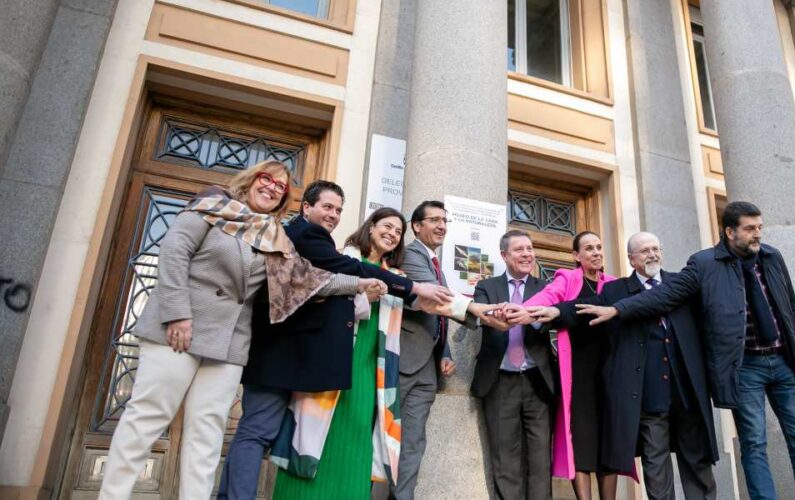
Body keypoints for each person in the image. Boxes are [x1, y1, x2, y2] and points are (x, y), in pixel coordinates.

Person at [99, 160, 365, 499]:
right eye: (266, 179)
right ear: (251, 179)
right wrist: (178, 314)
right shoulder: (212, 204)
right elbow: (174, 254)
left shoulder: (276, 238)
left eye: (280, 186)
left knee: (207, 435)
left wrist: (358, 283)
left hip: (228, 347)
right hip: (179, 331)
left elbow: (309, 280)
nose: (271, 187)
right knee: (147, 418)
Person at [578, 202, 795, 500]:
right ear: (729, 231)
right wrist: (617, 310)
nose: (757, 234)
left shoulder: (773, 257)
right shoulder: (704, 264)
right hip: (742, 368)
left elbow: (790, 309)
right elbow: (663, 297)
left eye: (759, 227)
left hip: (778, 364)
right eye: (750, 229)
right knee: (753, 443)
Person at [220, 182, 453, 500]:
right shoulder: (333, 250)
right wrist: (375, 289)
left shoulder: (389, 270)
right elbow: (331, 290)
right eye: (386, 226)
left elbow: (425, 308)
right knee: (266, 431)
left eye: (338, 209)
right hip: (325, 358)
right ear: (370, 227)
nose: (392, 234)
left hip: (370, 367)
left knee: (348, 439)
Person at [529, 232, 717, 499]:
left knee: (698, 464)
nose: (652, 254)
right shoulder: (616, 290)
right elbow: (587, 306)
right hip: (649, 394)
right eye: (645, 251)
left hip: (686, 390)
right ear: (631, 259)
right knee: (656, 466)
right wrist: (557, 311)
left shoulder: (681, 283)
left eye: (655, 248)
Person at [395, 200, 502, 500]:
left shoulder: (434, 261)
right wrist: (479, 311)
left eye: (445, 220)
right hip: (401, 362)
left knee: (414, 442)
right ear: (417, 226)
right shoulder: (411, 254)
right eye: (435, 220)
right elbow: (437, 298)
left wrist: (445, 352)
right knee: (382, 438)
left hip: (427, 368)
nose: (442, 225)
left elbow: (435, 316)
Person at [517, 231, 618, 500]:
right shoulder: (568, 278)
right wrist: (522, 310)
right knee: (580, 441)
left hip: (611, 371)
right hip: (578, 373)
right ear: (576, 256)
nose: (596, 252)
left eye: (598, 247)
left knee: (610, 441)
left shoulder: (614, 284)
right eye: (588, 248)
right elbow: (548, 297)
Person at [472, 229, 556, 500]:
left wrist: (533, 316)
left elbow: (552, 321)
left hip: (537, 380)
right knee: (505, 455)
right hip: (500, 380)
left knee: (541, 456)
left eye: (530, 249)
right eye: (519, 249)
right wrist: (495, 314)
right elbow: (478, 316)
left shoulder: (545, 287)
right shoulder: (487, 287)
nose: (527, 254)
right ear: (504, 255)